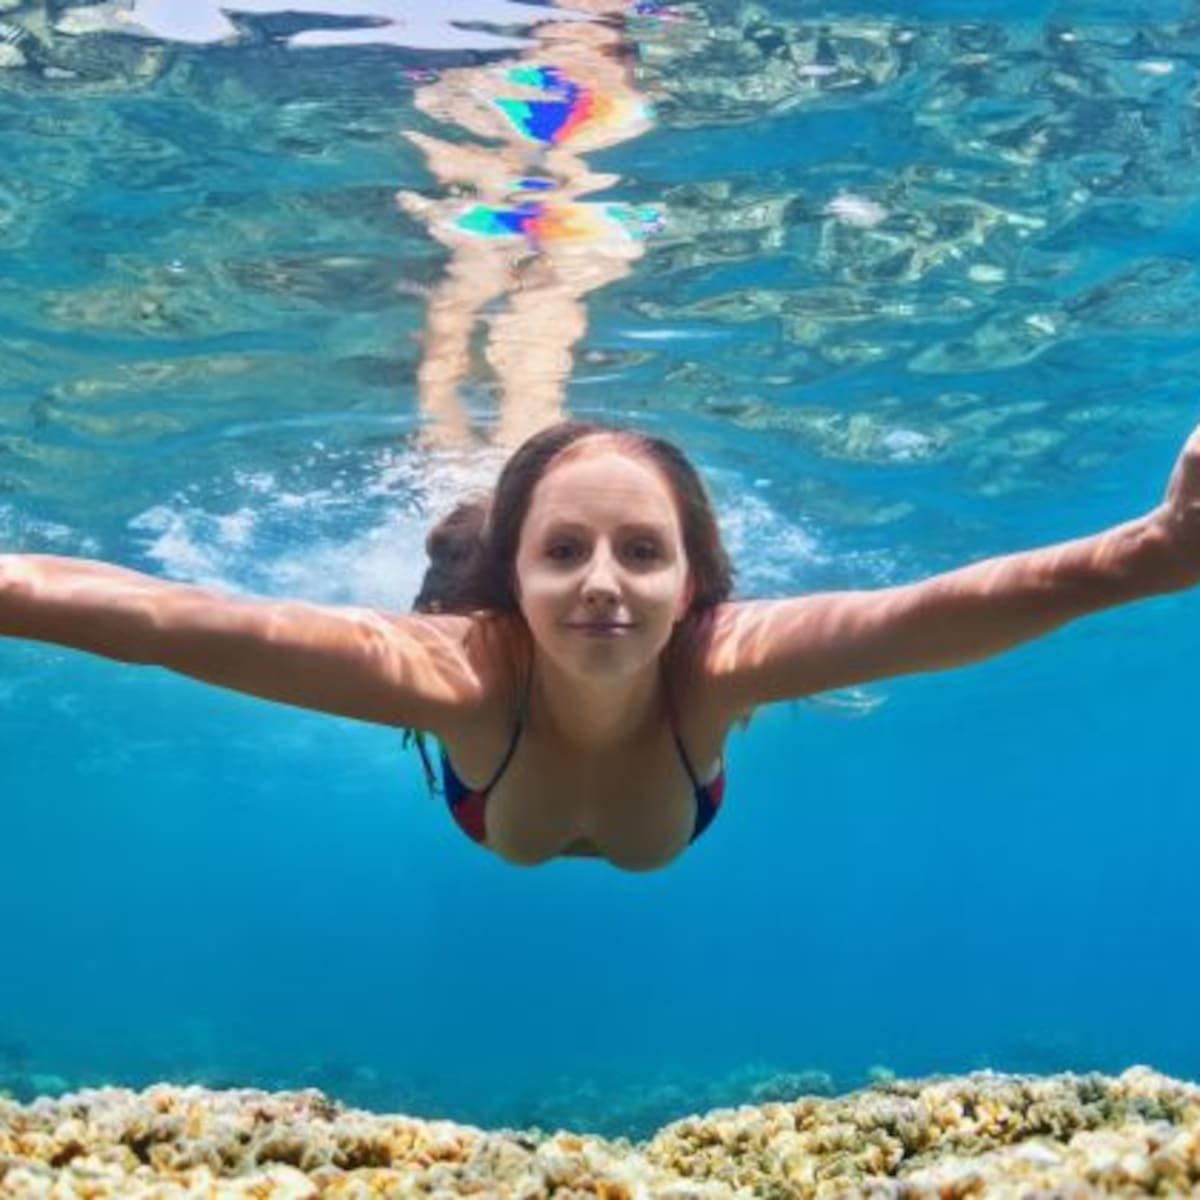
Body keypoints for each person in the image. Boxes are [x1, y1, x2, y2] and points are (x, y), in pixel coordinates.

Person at [3, 419, 1199, 870]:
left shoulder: (719, 659)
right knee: (466, 425)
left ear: (690, 584)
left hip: (560, 793)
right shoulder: (457, 671)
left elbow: (930, 615)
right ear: (513, 581)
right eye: (564, 551)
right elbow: (164, 619)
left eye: (642, 552)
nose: (603, 585)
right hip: (525, 764)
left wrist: (1153, 552)